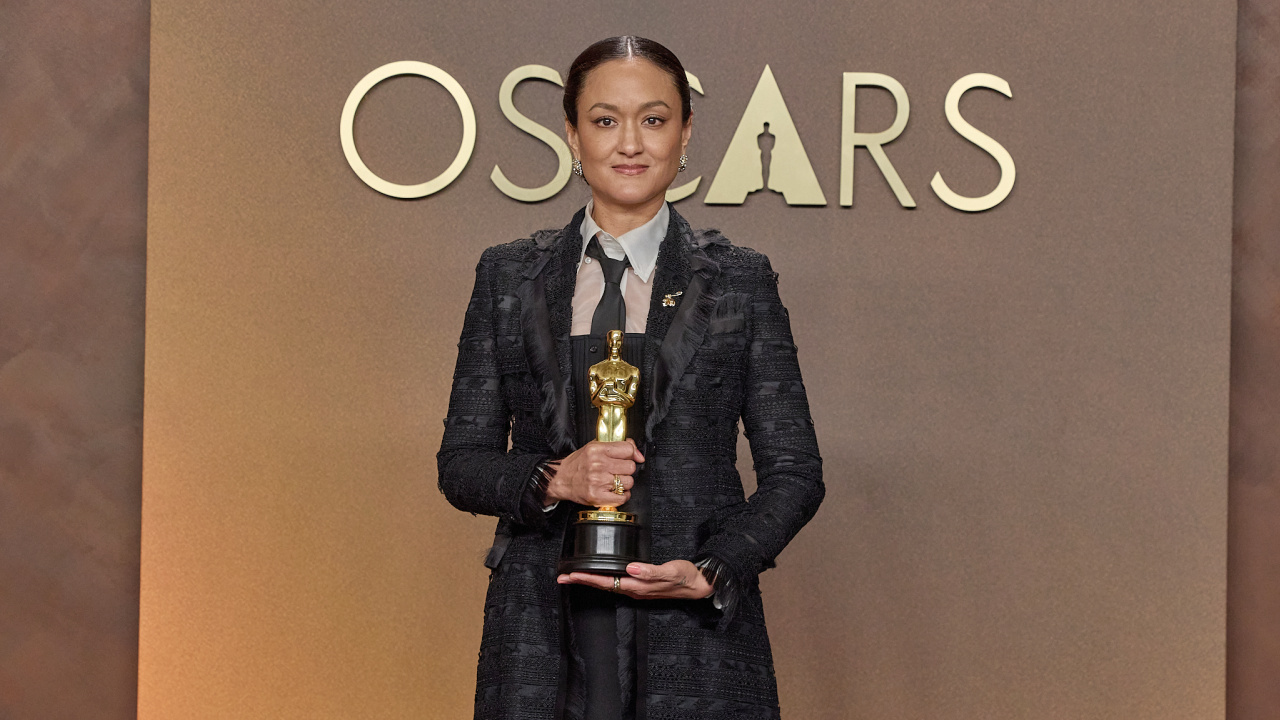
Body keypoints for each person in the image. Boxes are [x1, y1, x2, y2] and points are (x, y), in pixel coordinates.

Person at [437, 36, 824, 720]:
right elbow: (462, 463)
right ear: (572, 134)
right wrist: (553, 478)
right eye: (605, 120)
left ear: (685, 132)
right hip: (540, 626)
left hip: (691, 636)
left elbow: (795, 472)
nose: (630, 144)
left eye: (653, 119)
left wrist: (714, 569)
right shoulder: (508, 275)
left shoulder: (739, 281)